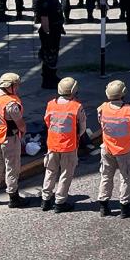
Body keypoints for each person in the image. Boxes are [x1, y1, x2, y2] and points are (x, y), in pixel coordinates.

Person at [97, 79, 130, 218]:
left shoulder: (102, 108)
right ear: (123, 93)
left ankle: (104, 206)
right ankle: (125, 207)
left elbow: (101, 124)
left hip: (107, 148)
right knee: (126, 178)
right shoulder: (129, 110)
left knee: (106, 176)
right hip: (125, 151)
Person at [41, 76, 85, 213]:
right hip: (69, 146)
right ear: (74, 90)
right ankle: (60, 202)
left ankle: (45, 200)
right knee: (65, 174)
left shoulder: (51, 104)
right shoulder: (76, 107)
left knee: (50, 171)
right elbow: (82, 128)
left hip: (52, 145)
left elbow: (47, 122)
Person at [0, 72, 26, 208]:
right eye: (16, 85)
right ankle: (13, 198)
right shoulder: (10, 104)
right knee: (12, 168)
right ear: (10, 86)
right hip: (9, 139)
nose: (18, 88)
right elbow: (19, 122)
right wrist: (23, 131)